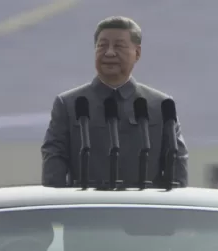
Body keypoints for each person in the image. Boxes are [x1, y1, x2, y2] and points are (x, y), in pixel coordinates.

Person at [41, 16, 189, 188]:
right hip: (86, 210)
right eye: (102, 45)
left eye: (118, 46)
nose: (109, 52)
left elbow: (178, 173)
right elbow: (53, 171)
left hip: (144, 212)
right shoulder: (68, 104)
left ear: (137, 53)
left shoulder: (161, 106)